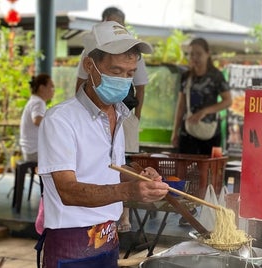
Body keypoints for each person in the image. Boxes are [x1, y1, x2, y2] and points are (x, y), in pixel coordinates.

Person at [36, 21, 168, 267]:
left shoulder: (120, 114)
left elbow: (113, 170)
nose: (124, 81)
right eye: (116, 72)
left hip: (108, 238)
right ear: (90, 66)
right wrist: (130, 192)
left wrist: (139, 177)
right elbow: (67, 190)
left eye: (130, 74)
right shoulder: (61, 119)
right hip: (71, 243)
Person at [75, 6, 147, 154]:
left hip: (126, 112)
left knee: (127, 156)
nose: (122, 77)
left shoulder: (134, 53)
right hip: (92, 112)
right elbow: (80, 82)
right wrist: (79, 110)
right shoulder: (90, 52)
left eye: (129, 73)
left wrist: (136, 118)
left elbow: (140, 87)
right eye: (115, 70)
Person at [171, 38, 232, 155]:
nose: (195, 58)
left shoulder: (216, 76)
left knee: (210, 169)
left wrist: (204, 112)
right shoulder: (186, 76)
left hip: (211, 131)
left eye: (199, 54)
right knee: (184, 168)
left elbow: (228, 101)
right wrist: (175, 132)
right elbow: (181, 105)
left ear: (207, 53)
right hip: (188, 130)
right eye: (191, 54)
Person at [19, 74, 54, 162]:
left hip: (29, 150)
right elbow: (37, 120)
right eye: (51, 87)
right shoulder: (38, 102)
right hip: (34, 152)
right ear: (42, 88)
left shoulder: (34, 100)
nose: (53, 90)